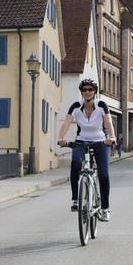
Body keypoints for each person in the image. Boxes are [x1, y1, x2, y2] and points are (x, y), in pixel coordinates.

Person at [57, 78, 116, 222]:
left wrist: (112, 137)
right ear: (81, 93)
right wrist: (61, 138)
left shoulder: (101, 105)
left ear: (94, 92)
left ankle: (104, 209)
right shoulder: (76, 106)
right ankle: (75, 200)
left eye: (90, 89)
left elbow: (108, 121)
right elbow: (66, 122)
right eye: (84, 90)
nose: (87, 92)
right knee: (76, 163)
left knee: (104, 174)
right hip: (81, 140)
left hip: (101, 142)